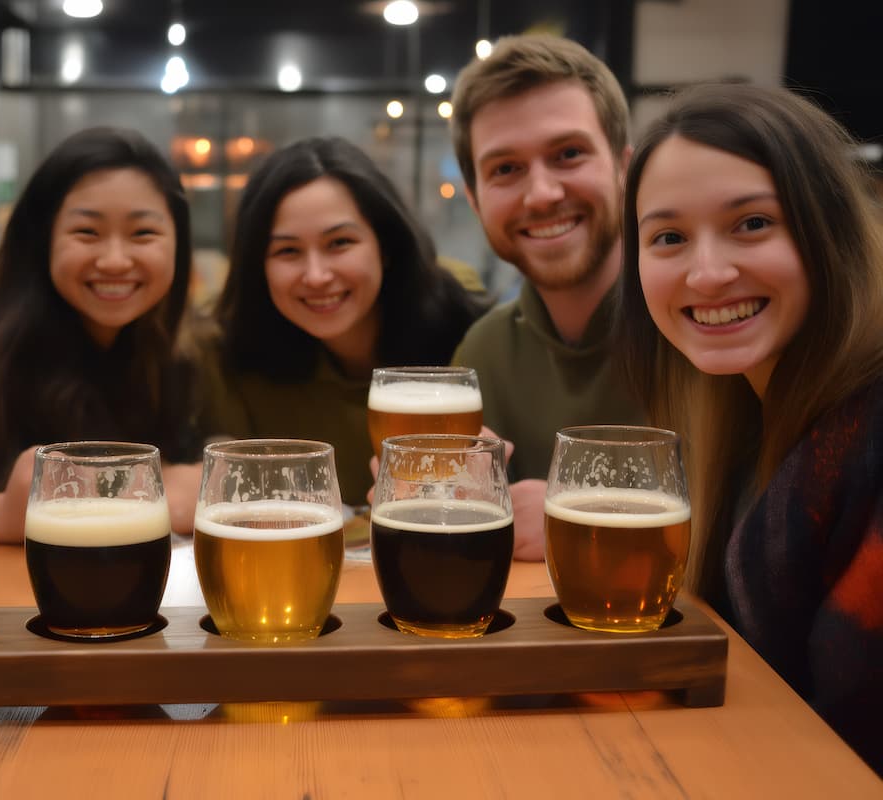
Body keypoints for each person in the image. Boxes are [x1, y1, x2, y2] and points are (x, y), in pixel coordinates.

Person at [618, 82, 883, 775]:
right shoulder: (741, 423)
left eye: (752, 223)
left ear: (829, 228)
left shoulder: (868, 442)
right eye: (668, 237)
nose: (707, 273)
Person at [201, 136, 490, 507]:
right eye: (287, 251)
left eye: (339, 243)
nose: (317, 275)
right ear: (259, 267)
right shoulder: (233, 356)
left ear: (384, 246)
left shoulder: (463, 322)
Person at [448, 34, 645, 559]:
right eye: (505, 169)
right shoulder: (485, 351)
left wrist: (578, 515)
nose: (542, 194)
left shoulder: (702, 323)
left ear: (624, 167)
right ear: (474, 198)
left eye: (569, 154)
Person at [0, 127, 202, 535]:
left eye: (143, 233)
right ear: (42, 241)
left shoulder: (181, 357)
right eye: (87, 232)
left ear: (179, 244)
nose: (115, 261)